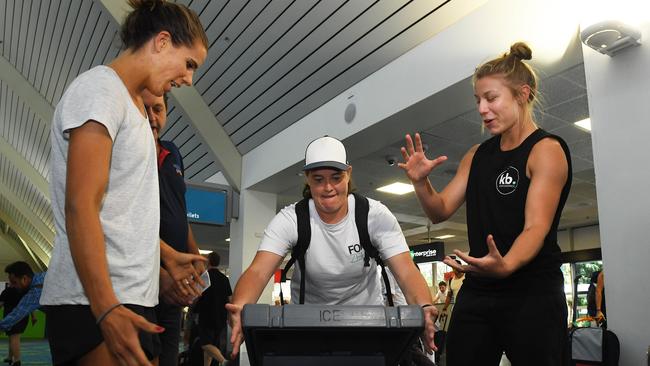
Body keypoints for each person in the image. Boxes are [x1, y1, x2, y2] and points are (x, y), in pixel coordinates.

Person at [39, 1, 209, 365]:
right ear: (162, 42)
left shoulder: (132, 106)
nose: (188, 79)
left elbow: (118, 212)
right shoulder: (100, 90)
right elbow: (81, 205)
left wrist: (164, 257)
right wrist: (105, 309)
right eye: (189, 64)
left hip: (128, 298)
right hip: (94, 301)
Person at [399, 42, 571, 366]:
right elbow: (439, 211)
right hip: (480, 290)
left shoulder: (546, 150)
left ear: (523, 94)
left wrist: (505, 265)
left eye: (491, 98)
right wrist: (421, 182)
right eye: (478, 100)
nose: (481, 108)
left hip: (533, 291)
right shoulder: (476, 156)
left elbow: (536, 227)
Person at [226, 136, 438, 360]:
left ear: (348, 173)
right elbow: (258, 271)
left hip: (366, 327)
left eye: (336, 178)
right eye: (318, 179)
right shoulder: (291, 219)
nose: (328, 188)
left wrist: (424, 305)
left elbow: (405, 270)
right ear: (307, 178)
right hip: (308, 329)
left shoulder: (374, 215)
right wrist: (241, 305)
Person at [143, 89, 204, 366]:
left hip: (175, 281)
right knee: (146, 356)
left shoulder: (174, 153)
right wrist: (158, 273)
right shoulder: (126, 154)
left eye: (158, 109)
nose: (151, 117)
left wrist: (196, 256)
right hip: (143, 278)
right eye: (144, 109)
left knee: (169, 356)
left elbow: (180, 210)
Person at [0, 262, 44, 366]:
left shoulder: (36, 290)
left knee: (13, 337)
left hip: (15, 318)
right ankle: (13, 358)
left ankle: (16, 360)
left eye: (14, 282)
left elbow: (18, 312)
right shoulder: (43, 277)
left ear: (24, 279)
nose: (12, 285)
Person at [196, 252, 232, 366]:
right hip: (221, 317)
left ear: (208, 261)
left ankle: (224, 362)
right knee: (211, 346)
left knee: (205, 344)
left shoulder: (205, 277)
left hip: (206, 316)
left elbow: (197, 295)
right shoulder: (224, 279)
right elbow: (230, 299)